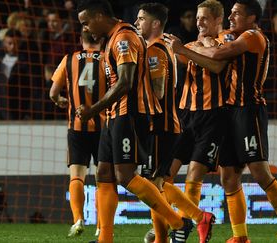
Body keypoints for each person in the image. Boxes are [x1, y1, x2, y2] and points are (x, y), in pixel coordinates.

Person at [165, 1, 277, 242]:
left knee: (260, 172)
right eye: (231, 13)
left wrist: (187, 49)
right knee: (229, 177)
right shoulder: (228, 35)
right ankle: (240, 236)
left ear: (252, 18)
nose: (231, 17)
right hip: (226, 113)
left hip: (249, 109)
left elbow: (216, 55)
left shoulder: (253, 37)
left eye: (237, 13)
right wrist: (196, 42)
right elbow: (209, 44)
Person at [75, 1, 193, 242]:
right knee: (104, 174)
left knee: (126, 176)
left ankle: (179, 222)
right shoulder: (112, 38)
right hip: (114, 115)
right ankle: (104, 239)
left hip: (129, 114)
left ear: (100, 16)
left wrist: (93, 109)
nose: (85, 28)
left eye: (86, 22)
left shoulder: (124, 37)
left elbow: (126, 82)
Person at [134, 3, 215, 243]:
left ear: (155, 23)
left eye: (141, 19)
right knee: (157, 183)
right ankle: (186, 223)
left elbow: (157, 92)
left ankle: (194, 218)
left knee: (152, 185)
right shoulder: (161, 47)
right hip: (166, 124)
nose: (137, 23)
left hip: (161, 125)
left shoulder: (156, 50)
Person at [49, 30, 105, 237]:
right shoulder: (108, 59)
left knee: (77, 176)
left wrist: (60, 101)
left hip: (77, 128)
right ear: (100, 39)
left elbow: (53, 93)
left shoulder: (69, 59)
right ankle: (101, 226)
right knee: (104, 180)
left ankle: (78, 219)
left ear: (81, 40)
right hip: (103, 129)